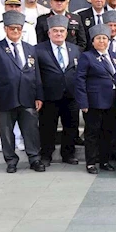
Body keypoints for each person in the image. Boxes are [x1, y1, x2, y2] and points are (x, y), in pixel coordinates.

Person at [0, 11, 45, 173]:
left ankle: (35, 159)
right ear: (5, 29)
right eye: (12, 29)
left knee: (31, 130)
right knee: (6, 132)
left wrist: (39, 96)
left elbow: (36, 74)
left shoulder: (30, 49)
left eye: (18, 29)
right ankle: (11, 160)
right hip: (5, 96)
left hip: (28, 96)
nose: (15, 32)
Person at [75, 24, 116, 174]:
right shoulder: (87, 57)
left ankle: (104, 160)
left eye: (105, 38)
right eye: (99, 38)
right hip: (94, 102)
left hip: (113, 102)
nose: (102, 41)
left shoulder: (115, 57)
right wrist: (83, 102)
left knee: (107, 132)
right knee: (92, 133)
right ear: (93, 41)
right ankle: (91, 163)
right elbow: (80, 80)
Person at [35, 15, 81, 165]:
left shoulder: (75, 49)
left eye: (62, 31)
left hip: (71, 95)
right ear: (49, 33)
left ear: (66, 33)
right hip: (49, 96)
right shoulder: (39, 50)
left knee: (71, 126)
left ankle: (68, 154)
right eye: (55, 31)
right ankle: (46, 155)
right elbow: (36, 76)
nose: (59, 34)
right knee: (47, 127)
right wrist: (39, 96)